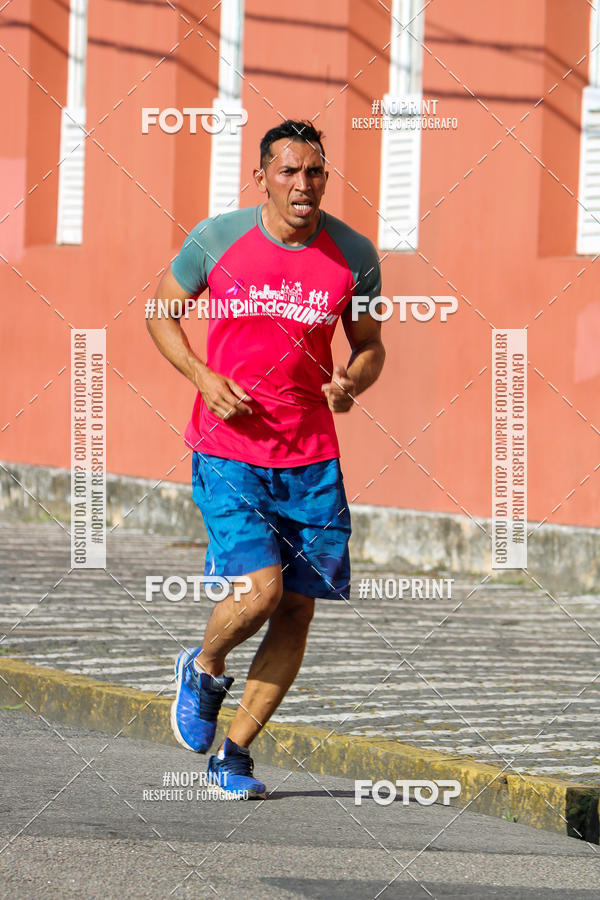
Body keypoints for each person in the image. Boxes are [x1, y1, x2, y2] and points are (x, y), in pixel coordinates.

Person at [146, 119, 385, 799]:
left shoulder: (354, 254)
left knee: (298, 610)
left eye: (315, 172)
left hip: (311, 460)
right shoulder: (217, 238)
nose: (304, 184)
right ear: (262, 178)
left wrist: (354, 381)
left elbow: (370, 345)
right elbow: (160, 312)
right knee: (263, 591)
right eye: (289, 171)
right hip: (230, 451)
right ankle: (205, 666)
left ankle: (234, 755)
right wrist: (200, 375)